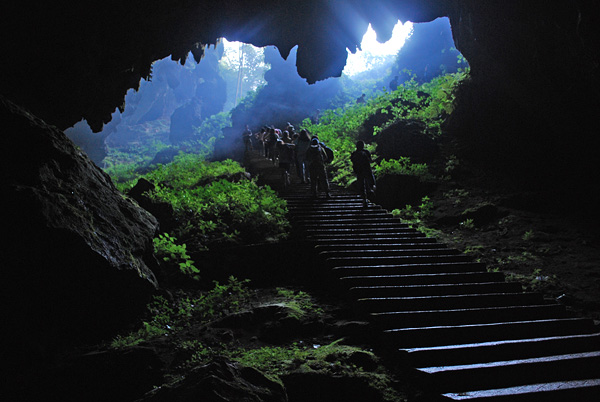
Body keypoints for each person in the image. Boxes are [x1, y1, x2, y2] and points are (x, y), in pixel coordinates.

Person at [350, 140, 375, 206]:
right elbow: (370, 160)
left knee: (362, 185)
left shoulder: (354, 153)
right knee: (369, 184)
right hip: (367, 170)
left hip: (359, 171)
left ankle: (364, 199)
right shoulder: (366, 152)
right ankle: (370, 196)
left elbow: (352, 161)